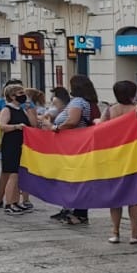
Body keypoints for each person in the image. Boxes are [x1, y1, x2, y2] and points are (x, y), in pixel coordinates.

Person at [104, 81, 137, 246]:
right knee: (134, 193)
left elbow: (101, 129)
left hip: (115, 154)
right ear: (133, 93)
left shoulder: (111, 110)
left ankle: (115, 232)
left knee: (116, 194)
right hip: (136, 153)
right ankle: (134, 233)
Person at [49, 76, 99, 227]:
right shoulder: (89, 102)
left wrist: (55, 127)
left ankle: (78, 213)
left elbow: (72, 121)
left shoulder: (78, 102)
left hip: (74, 146)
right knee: (80, 179)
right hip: (81, 145)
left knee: (75, 179)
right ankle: (77, 211)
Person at [0, 83, 37, 216]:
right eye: (20, 94)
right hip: (11, 144)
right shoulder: (7, 109)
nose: (23, 96)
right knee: (12, 175)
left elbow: (33, 124)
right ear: (12, 96)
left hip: (21, 144)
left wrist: (31, 110)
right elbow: (2, 125)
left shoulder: (21, 109)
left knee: (18, 175)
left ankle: (16, 202)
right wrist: (16, 127)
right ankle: (9, 203)